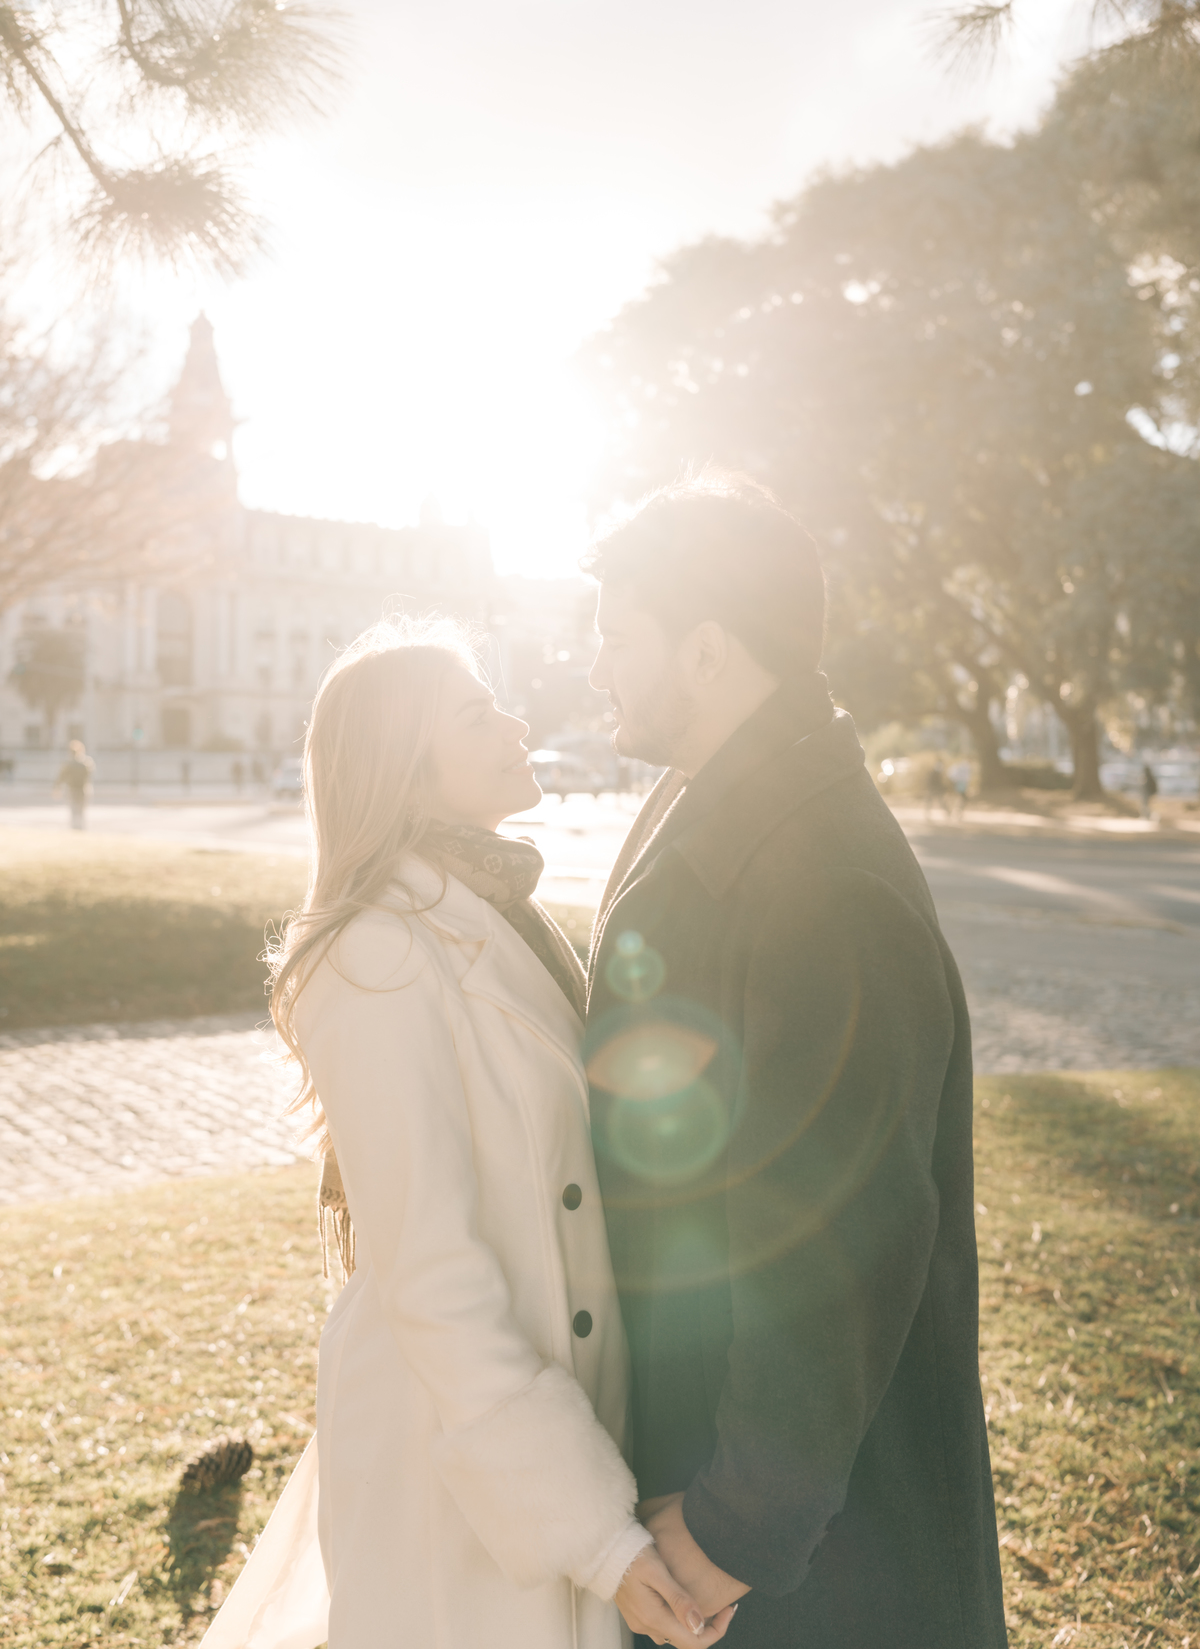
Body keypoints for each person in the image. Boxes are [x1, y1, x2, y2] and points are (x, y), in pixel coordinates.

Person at [200, 617, 732, 1649]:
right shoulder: (375, 954)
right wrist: (597, 1536)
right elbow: (432, 1272)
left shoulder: (492, 916)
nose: (519, 723)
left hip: (534, 1440)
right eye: (477, 711)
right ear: (406, 763)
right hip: (451, 1464)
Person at [582, 474, 1007, 1649]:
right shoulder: (714, 798)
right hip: (722, 1483)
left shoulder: (825, 882)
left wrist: (735, 1528)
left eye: (617, 634)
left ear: (708, 650)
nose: (593, 664)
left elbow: (841, 1236)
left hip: (815, 1560)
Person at [54, 739, 94, 830]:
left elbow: (61, 777)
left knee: (73, 809)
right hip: (83, 789)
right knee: (81, 810)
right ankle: (81, 827)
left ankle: (74, 827)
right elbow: (89, 774)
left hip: (72, 789)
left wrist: (57, 788)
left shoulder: (69, 764)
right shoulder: (86, 763)